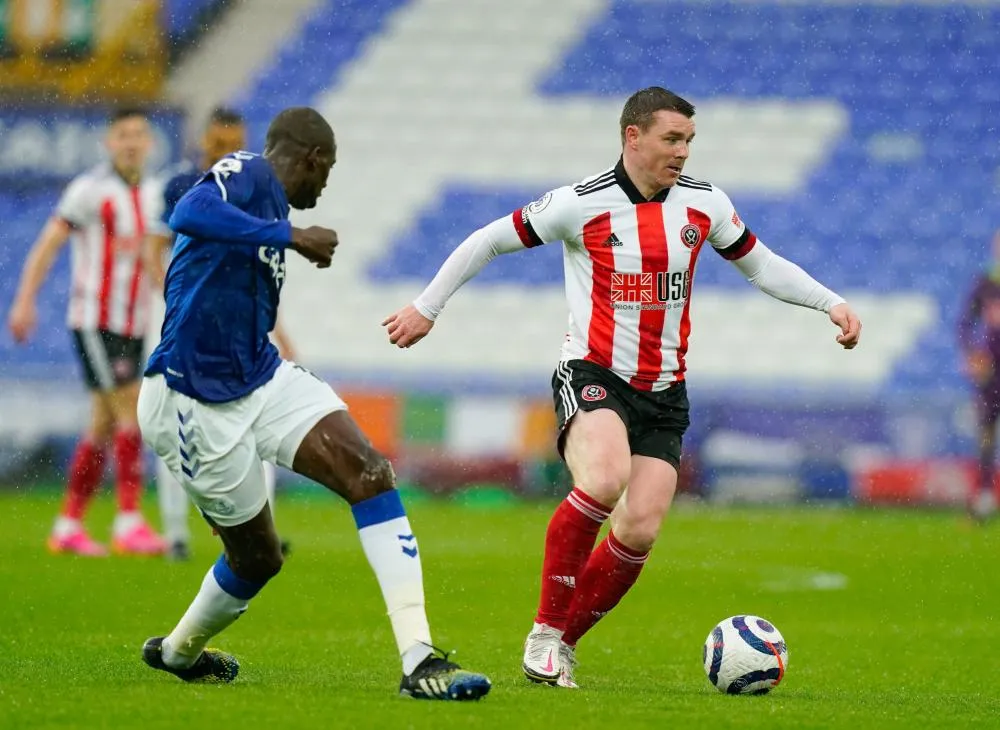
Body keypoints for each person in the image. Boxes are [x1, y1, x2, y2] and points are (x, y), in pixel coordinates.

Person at [383, 87, 862, 689]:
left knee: (639, 527)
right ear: (632, 137)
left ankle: (559, 644)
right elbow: (487, 240)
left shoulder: (704, 205)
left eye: (689, 140)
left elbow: (761, 264)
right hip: (593, 373)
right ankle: (543, 632)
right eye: (672, 139)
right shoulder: (578, 204)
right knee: (604, 480)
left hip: (664, 391)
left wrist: (831, 303)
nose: (683, 152)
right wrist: (428, 308)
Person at [137, 107, 491, 700]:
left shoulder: (271, 205)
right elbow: (188, 212)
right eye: (327, 172)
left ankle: (420, 660)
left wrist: (289, 239)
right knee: (257, 560)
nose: (325, 186)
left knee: (370, 472)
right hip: (189, 401)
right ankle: (178, 652)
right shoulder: (249, 172)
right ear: (311, 158)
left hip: (260, 375)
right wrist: (292, 236)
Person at [8, 107, 169, 557]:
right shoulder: (89, 191)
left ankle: (68, 525)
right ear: (109, 143)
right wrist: (25, 300)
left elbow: (153, 257)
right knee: (130, 407)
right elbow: (48, 245)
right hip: (96, 320)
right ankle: (129, 520)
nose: (132, 142)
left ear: (150, 142)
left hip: (134, 323)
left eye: (139, 134)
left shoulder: (156, 195)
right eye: (123, 135)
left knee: (100, 424)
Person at [144, 107, 297, 561]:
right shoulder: (179, 186)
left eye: (233, 144)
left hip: (238, 327)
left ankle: (260, 531)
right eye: (217, 144)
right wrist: (175, 302)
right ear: (201, 142)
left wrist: (279, 332)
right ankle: (175, 534)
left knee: (257, 422)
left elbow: (259, 272)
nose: (226, 152)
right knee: (176, 425)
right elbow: (153, 251)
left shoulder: (254, 188)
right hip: (187, 327)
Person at [958, 228, 1000, 521]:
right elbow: (963, 324)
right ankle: (985, 497)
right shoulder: (986, 282)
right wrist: (973, 355)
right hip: (992, 371)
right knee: (986, 433)